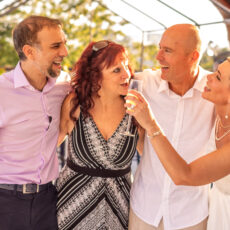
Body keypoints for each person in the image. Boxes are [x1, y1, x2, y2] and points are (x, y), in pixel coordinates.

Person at [128, 24, 216, 230]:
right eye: (160, 48)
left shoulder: (213, 91)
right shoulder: (143, 83)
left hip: (191, 216)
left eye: (167, 51)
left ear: (193, 57)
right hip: (144, 209)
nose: (158, 57)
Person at [56, 40, 140, 230]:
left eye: (126, 65)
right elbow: (50, 146)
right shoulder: (74, 104)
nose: (127, 74)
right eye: (116, 70)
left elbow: (151, 157)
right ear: (96, 77)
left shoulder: (135, 107)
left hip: (120, 210)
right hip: (72, 207)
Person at [0, 15, 70, 230]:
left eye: (64, 43)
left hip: (48, 200)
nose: (65, 52)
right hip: (5, 202)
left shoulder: (65, 85)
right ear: (29, 52)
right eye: (55, 46)